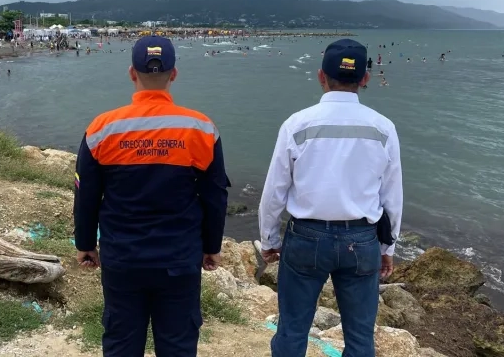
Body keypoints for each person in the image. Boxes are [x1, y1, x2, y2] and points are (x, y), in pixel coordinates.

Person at [74, 35, 230, 357]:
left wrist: (86, 244)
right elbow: (214, 197)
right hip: (179, 259)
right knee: (177, 344)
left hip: (122, 259)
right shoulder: (201, 129)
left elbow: (86, 194)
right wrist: (211, 247)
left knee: (120, 342)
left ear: (132, 72)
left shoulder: (102, 129)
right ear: (174, 74)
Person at [257, 38, 403, 357]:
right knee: (361, 337)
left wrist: (268, 239)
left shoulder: (297, 125)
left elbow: (275, 191)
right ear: (365, 78)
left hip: (306, 237)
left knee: (292, 330)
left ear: (321, 76)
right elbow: (392, 195)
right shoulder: (383, 128)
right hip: (362, 240)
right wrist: (387, 247)